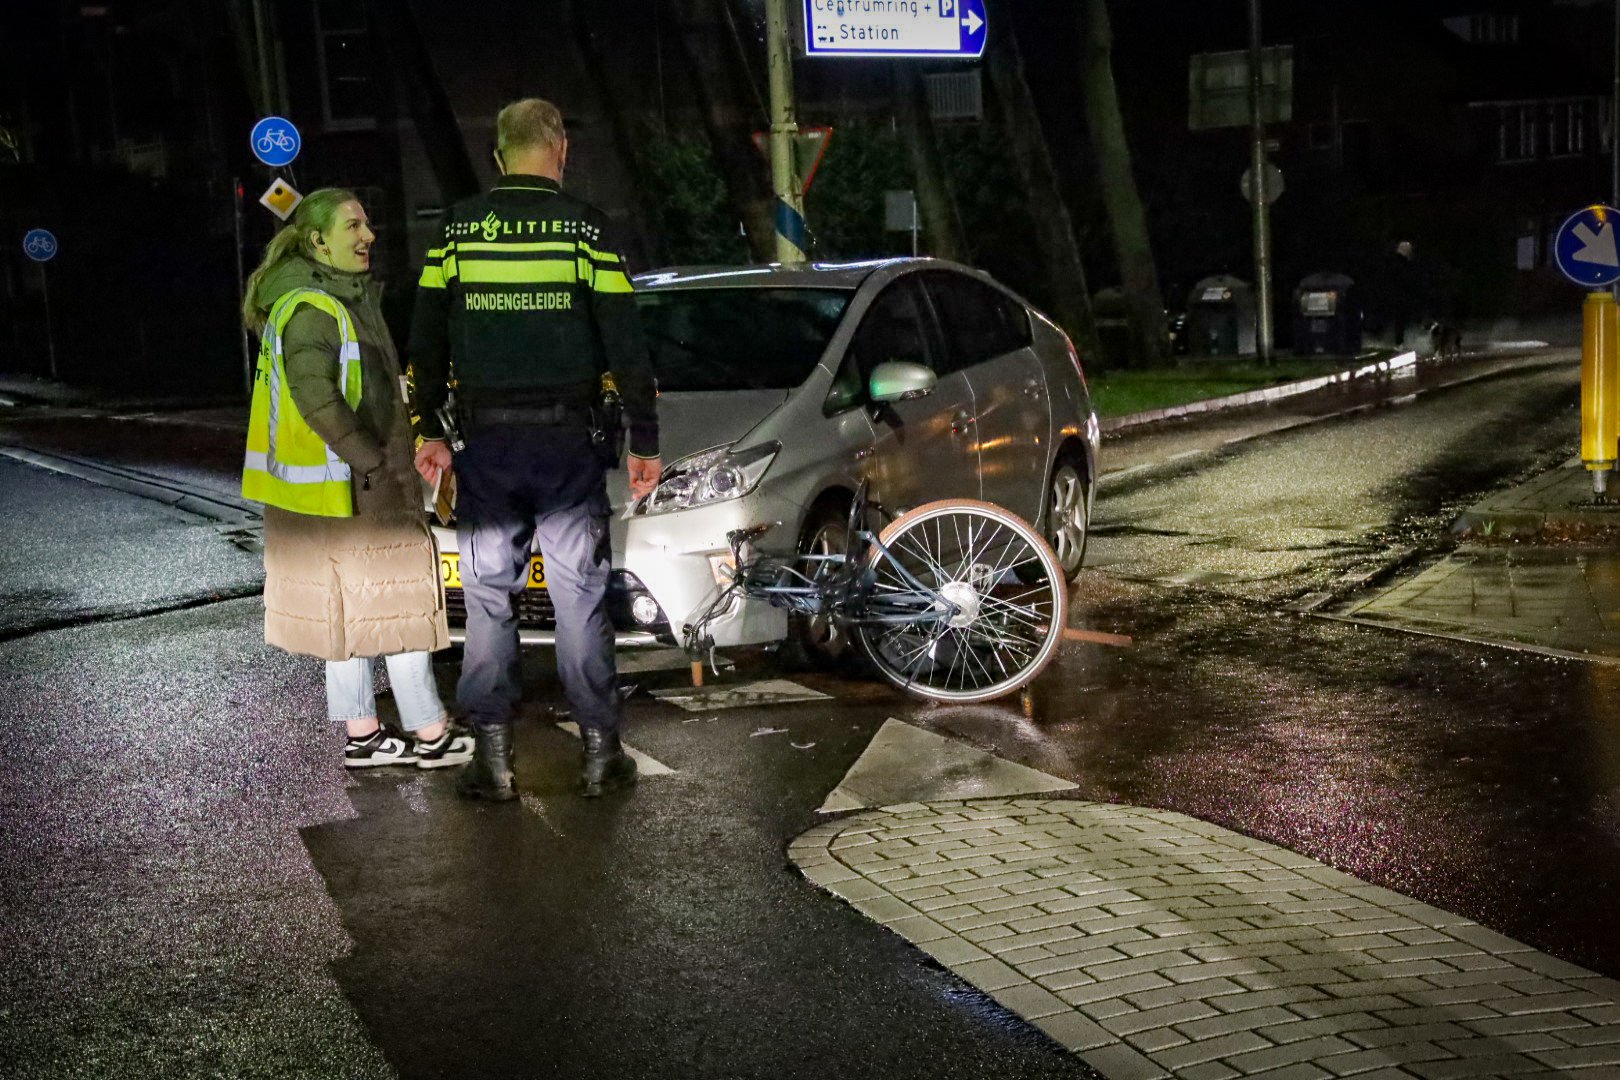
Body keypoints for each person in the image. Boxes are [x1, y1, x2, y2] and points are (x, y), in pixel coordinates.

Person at [409, 99, 661, 801]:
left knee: (489, 600)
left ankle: (491, 763)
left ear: (498, 156)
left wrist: (428, 427)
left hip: (486, 443)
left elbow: (425, 336)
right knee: (580, 599)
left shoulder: (458, 229)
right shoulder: (585, 229)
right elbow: (625, 340)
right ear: (560, 150)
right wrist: (646, 439)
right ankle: (599, 757)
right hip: (568, 443)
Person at [241, 188, 472, 770]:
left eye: (367, 223)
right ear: (318, 241)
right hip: (359, 487)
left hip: (325, 493)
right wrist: (373, 460)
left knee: (342, 616)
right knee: (401, 609)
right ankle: (429, 731)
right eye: (353, 226)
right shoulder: (317, 308)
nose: (368, 236)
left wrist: (402, 444)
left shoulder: (317, 301)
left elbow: (360, 394)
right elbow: (317, 397)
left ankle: (364, 735)